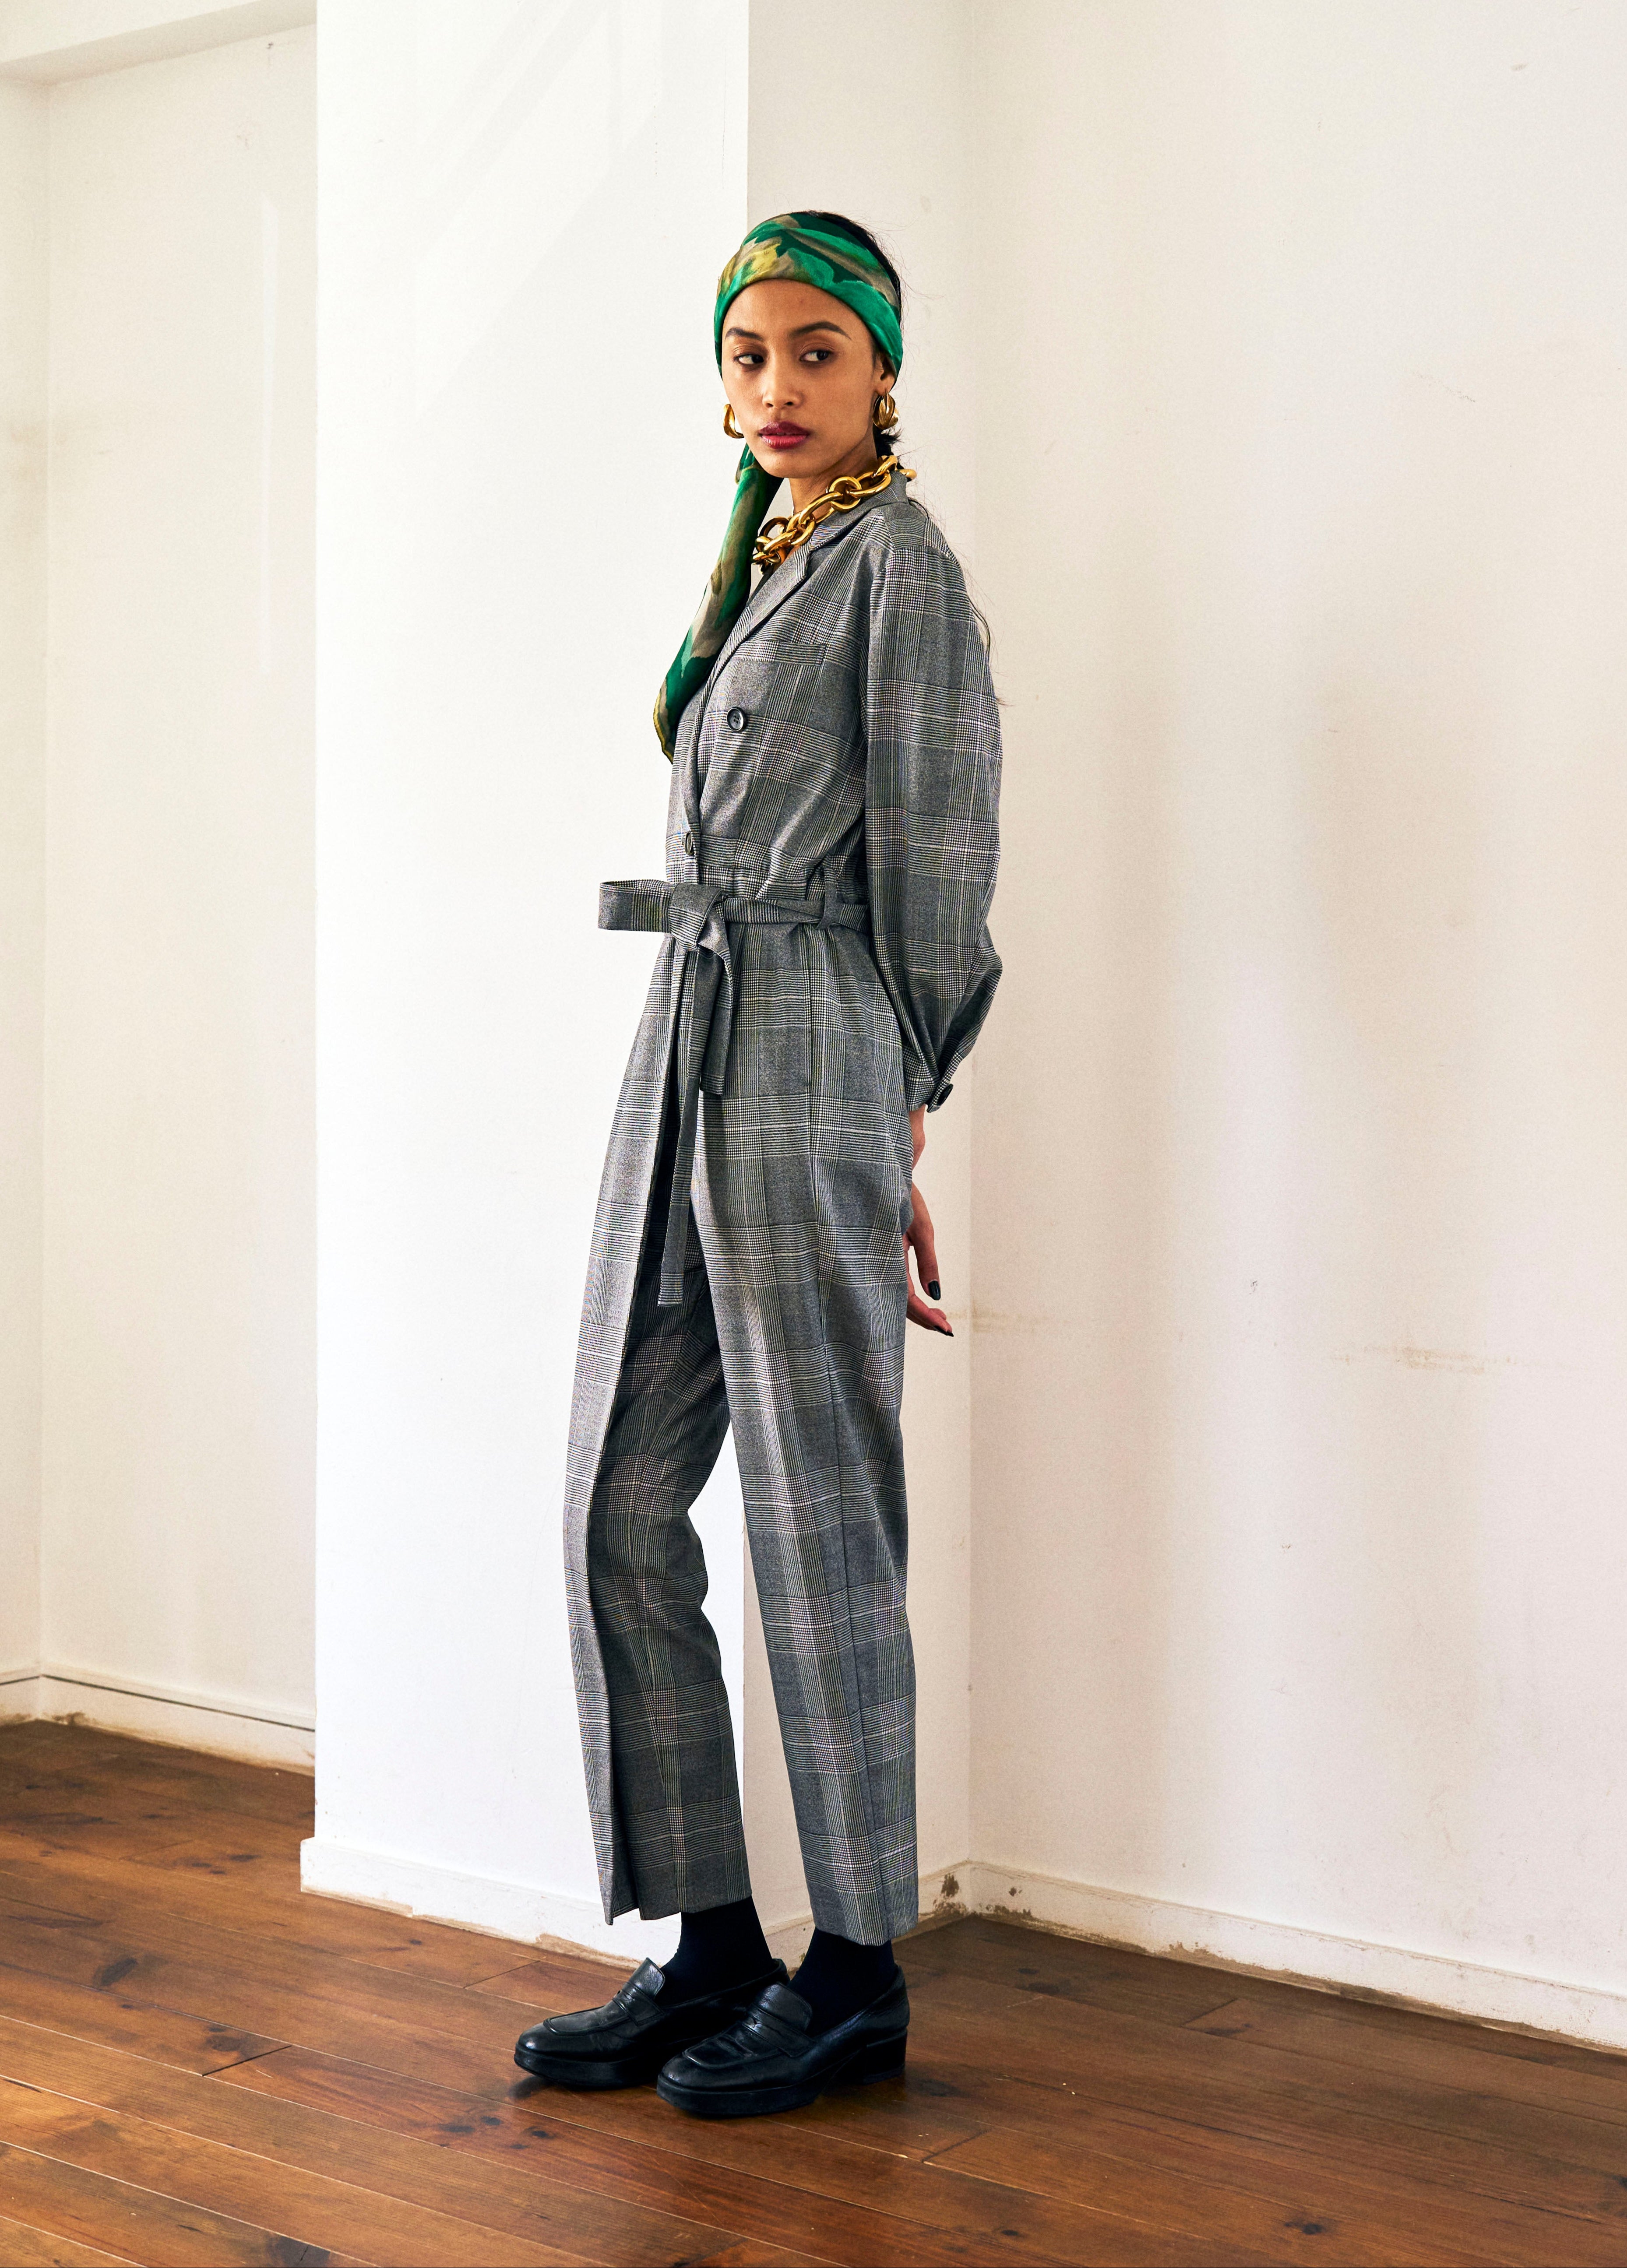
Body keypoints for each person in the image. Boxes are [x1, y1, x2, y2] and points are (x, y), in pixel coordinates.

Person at [515, 212, 1001, 2120]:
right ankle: (712, 1944)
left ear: (882, 368)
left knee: (817, 1531)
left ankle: (857, 1969)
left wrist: (892, 1120)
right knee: (618, 1506)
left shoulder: (904, 577)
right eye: (747, 357)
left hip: (808, 1052)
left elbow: (940, 887)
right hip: (685, 1045)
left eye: (815, 351)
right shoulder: (758, 566)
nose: (777, 388)